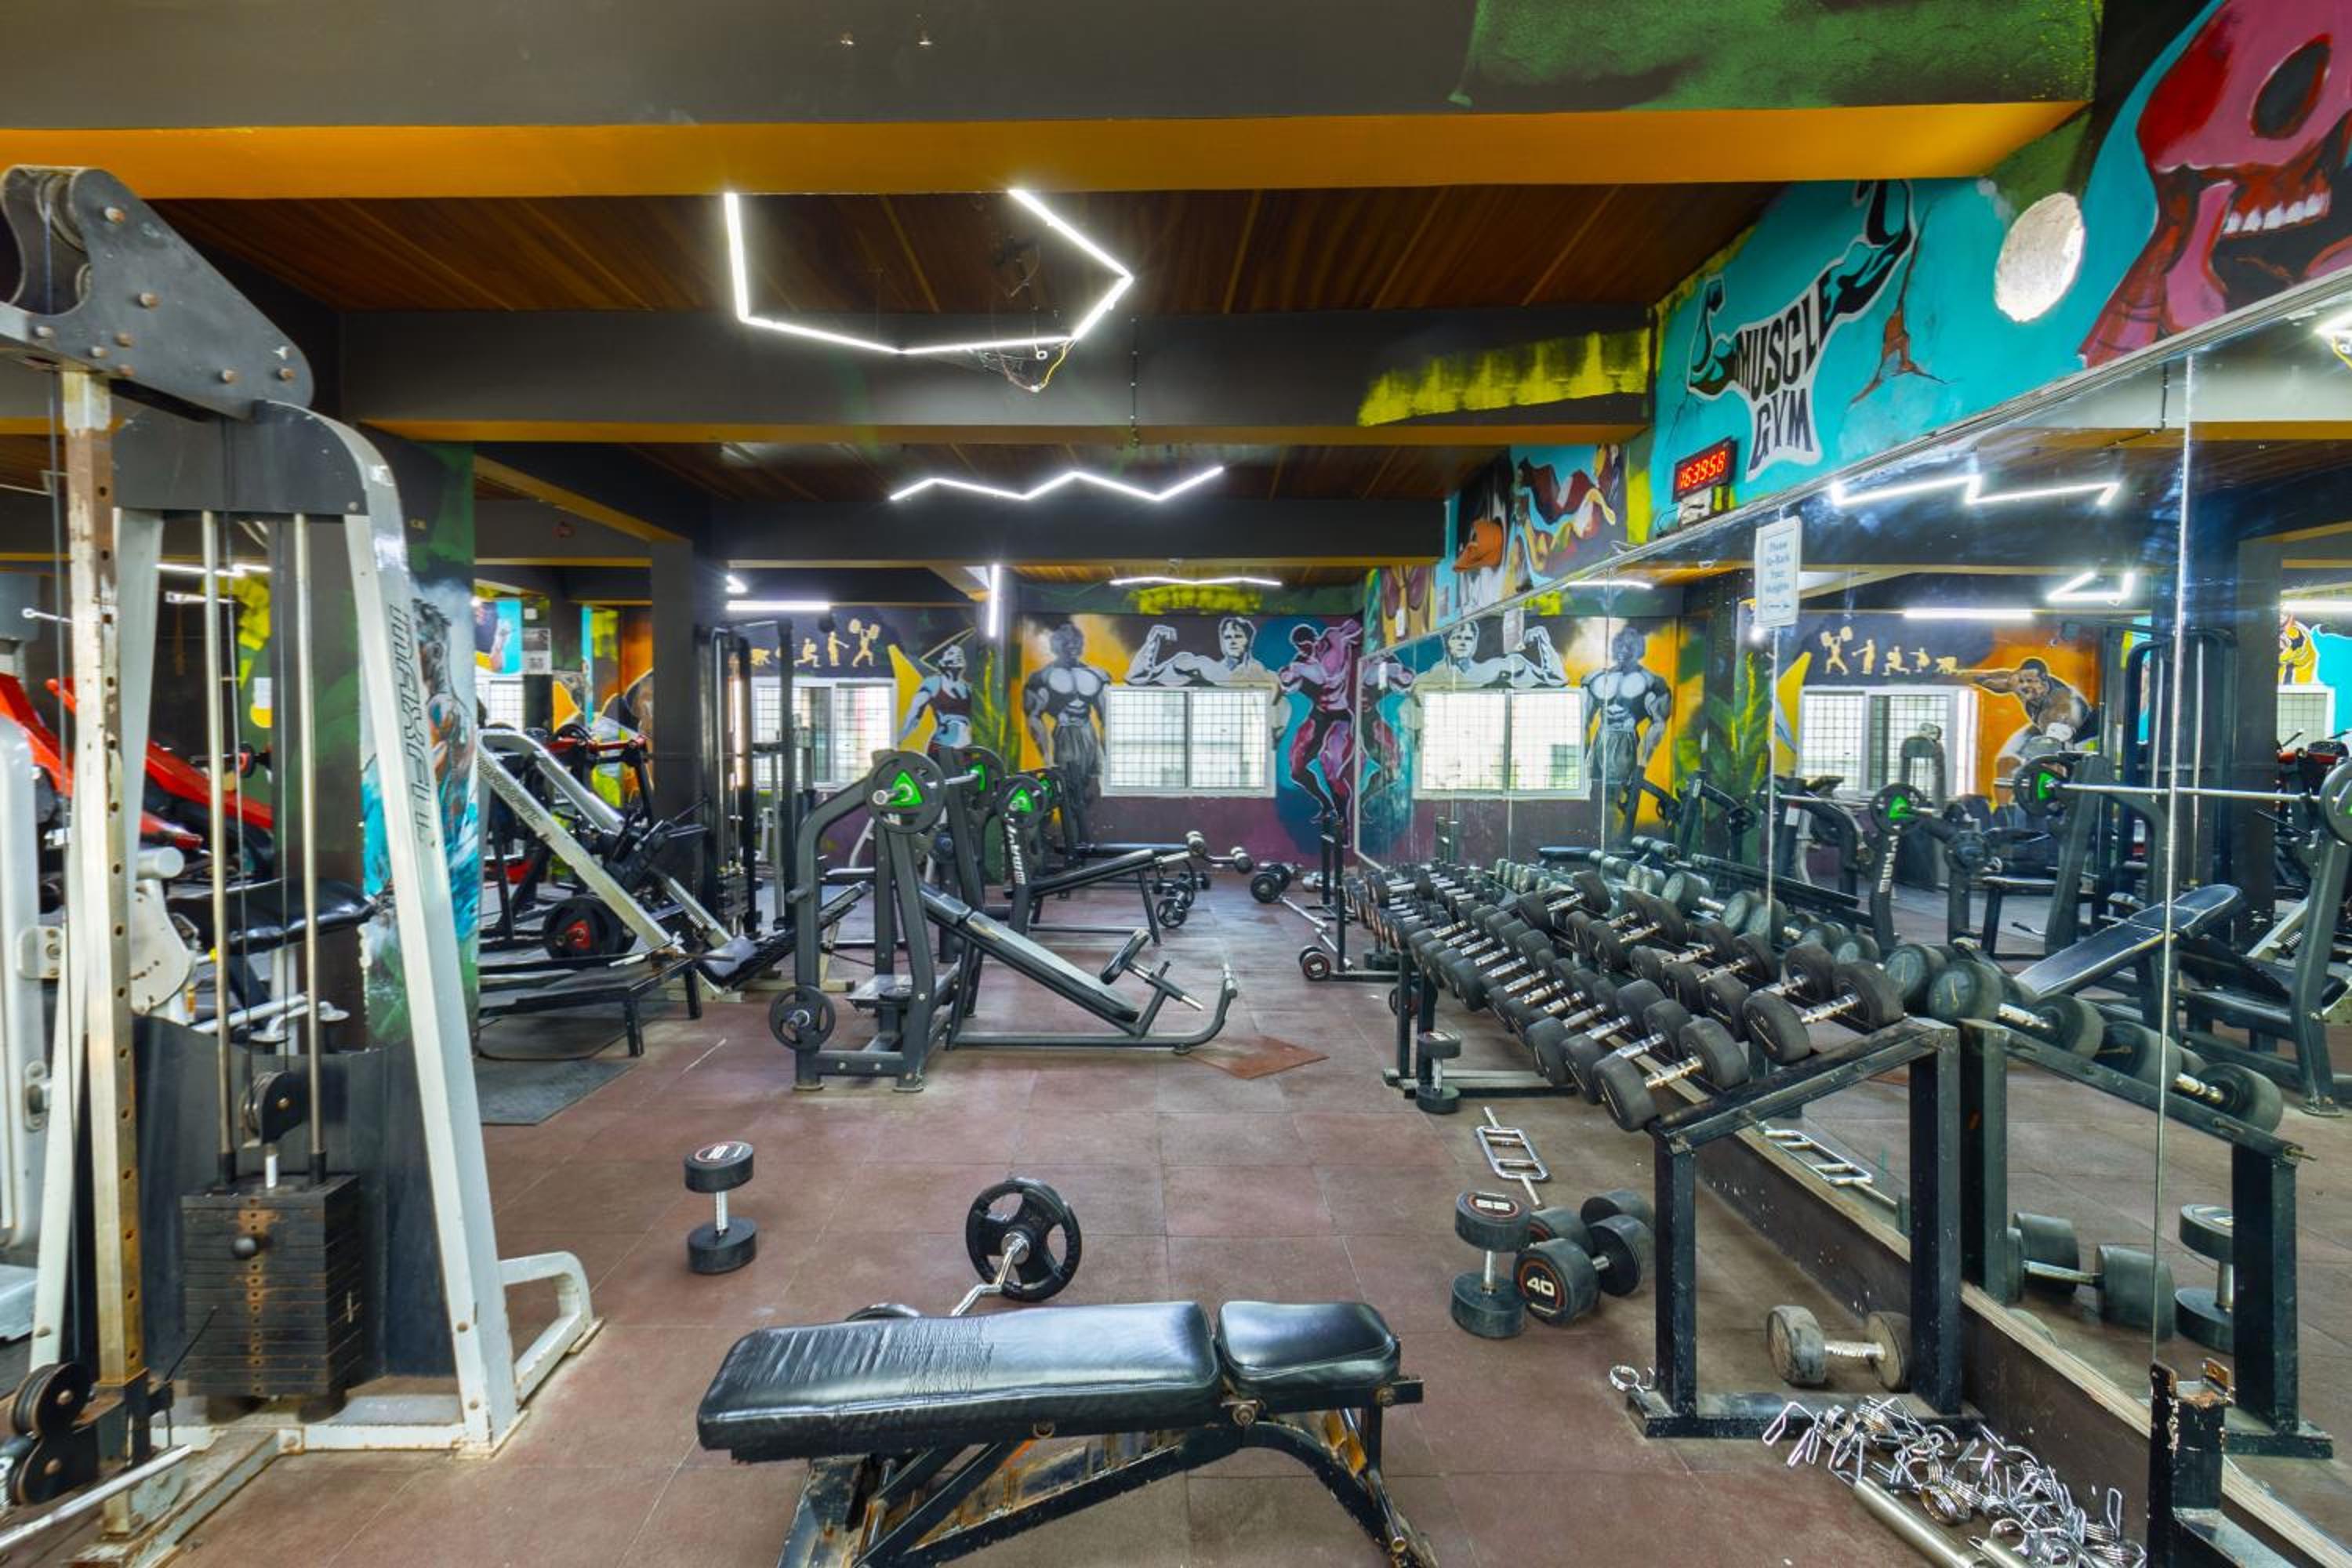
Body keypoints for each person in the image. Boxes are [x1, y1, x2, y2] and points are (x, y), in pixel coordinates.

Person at [1584, 626, 1671, 837]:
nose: (1624, 650)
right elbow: (1583, 721)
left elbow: (1658, 724)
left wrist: (1642, 765)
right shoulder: (1596, 679)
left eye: (1630, 646)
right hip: (1599, 743)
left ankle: (1617, 841)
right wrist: (1583, 757)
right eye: (1621, 645)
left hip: (1625, 745)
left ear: (1638, 649)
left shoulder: (1652, 683)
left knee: (1618, 802)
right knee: (1594, 799)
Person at [1274, 621, 1359, 822]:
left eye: (1307, 645)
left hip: (1339, 717)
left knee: (1332, 772)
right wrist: (1289, 676)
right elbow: (1288, 685)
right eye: (1301, 648)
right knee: (1296, 769)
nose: (1306, 651)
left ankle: (1343, 819)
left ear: (1314, 639)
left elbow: (1323, 676)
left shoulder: (1332, 642)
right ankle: (1327, 805)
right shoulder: (1302, 662)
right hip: (1318, 716)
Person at [1022, 621, 1111, 801]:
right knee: (1067, 790)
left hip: (1089, 736)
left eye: (1075, 641)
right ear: (1056, 646)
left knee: (1094, 789)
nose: (1072, 646)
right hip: (1065, 737)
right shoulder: (1042, 678)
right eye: (1066, 642)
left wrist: (1108, 754)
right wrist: (1047, 758)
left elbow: (1107, 719)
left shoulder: (1097, 676)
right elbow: (1034, 717)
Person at [1965, 657, 2091, 774]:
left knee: (2051, 766)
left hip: (2079, 736)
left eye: (2030, 681)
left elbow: (2056, 755)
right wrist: (1967, 677)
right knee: (2006, 762)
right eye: (2022, 681)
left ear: (2044, 680)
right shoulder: (2018, 682)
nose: (2025, 686)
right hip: (2042, 728)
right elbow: (1988, 679)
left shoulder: (2063, 706)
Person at [1126, 615, 1268, 687]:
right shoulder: (1202, 666)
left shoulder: (1260, 673)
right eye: (1228, 637)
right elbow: (1136, 678)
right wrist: (1152, 640)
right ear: (1222, 642)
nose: (1232, 641)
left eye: (1238, 636)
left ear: (1249, 640)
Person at [900, 639, 975, 749]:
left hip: (966, 747)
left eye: (960, 654)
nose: (958, 656)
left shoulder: (968, 688)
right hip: (941, 746)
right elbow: (914, 713)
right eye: (951, 653)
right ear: (941, 661)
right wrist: (899, 740)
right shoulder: (934, 683)